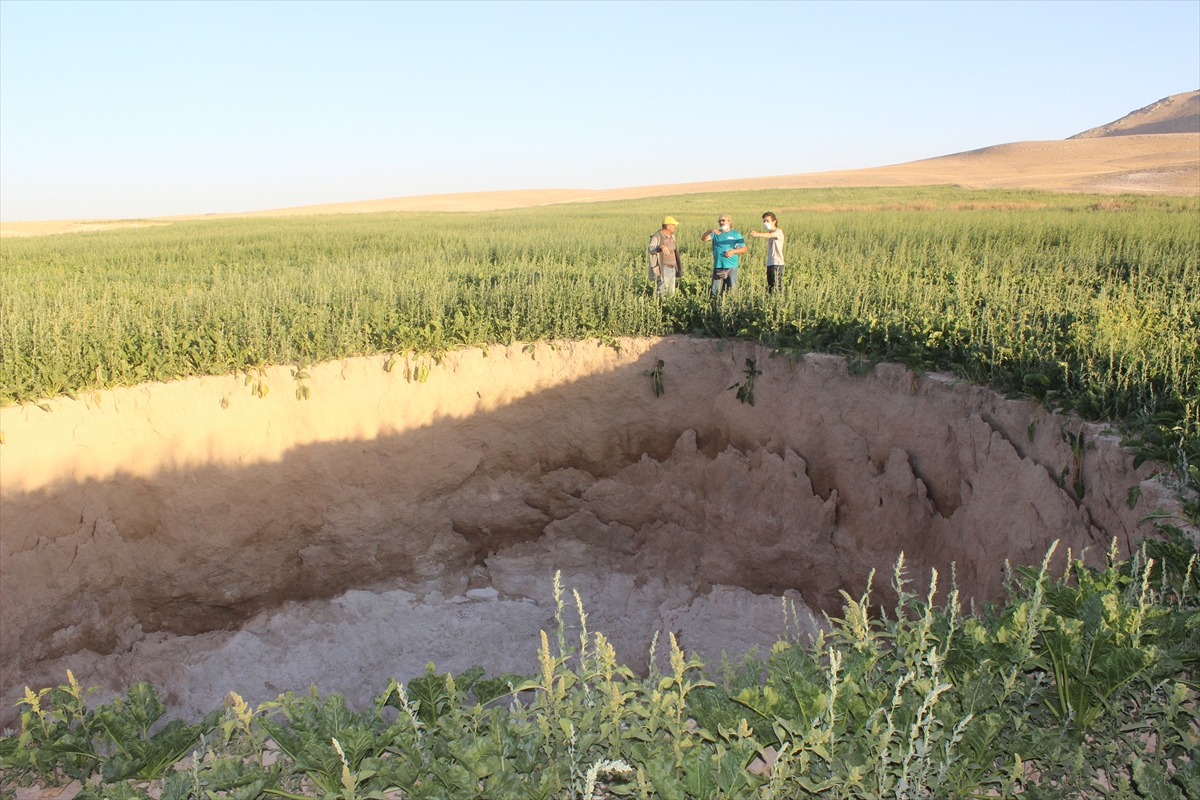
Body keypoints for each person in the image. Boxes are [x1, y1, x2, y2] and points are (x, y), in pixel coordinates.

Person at [701, 214, 746, 295]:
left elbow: (744, 249)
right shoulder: (716, 233)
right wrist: (710, 230)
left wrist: (733, 251)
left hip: (731, 266)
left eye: (723, 220)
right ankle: (716, 305)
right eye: (719, 221)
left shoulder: (736, 234)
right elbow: (703, 239)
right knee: (716, 291)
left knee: (732, 291)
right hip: (718, 266)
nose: (721, 222)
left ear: (729, 221)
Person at [749, 211, 786, 293]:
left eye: (767, 221)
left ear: (774, 221)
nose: (765, 223)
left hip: (777, 263)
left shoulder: (778, 232)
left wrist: (758, 234)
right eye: (764, 221)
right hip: (770, 263)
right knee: (771, 287)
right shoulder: (770, 232)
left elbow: (770, 235)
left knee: (777, 286)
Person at [647, 216, 682, 296]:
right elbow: (650, 248)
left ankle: (668, 306)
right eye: (673, 225)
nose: (675, 227)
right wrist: (660, 246)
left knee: (671, 292)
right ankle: (661, 306)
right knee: (662, 291)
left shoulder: (672, 237)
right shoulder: (657, 236)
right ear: (668, 226)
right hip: (663, 268)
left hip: (672, 268)